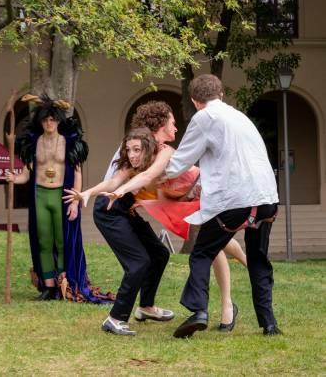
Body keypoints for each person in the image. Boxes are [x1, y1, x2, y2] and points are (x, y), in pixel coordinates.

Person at [109, 75, 280, 338]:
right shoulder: (240, 117)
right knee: (258, 258)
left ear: (195, 101)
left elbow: (179, 163)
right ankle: (269, 324)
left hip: (235, 200)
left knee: (201, 254)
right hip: (267, 198)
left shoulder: (204, 118)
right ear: (221, 94)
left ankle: (199, 310)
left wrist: (150, 176)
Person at [67, 103, 245, 334]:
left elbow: (152, 177)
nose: (176, 127)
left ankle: (146, 307)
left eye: (134, 151)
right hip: (110, 207)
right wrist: (88, 192)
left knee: (159, 254)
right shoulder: (137, 144)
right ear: (161, 124)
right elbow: (116, 180)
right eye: (172, 122)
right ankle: (115, 318)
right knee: (139, 262)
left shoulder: (160, 149)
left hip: (126, 204)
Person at [6, 94, 113, 303]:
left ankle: (65, 283)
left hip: (61, 195)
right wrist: (14, 178)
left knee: (63, 241)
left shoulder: (69, 142)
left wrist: (75, 200)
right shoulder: (34, 143)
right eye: (45, 119)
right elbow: (27, 173)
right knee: (44, 241)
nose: (49, 123)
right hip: (39, 195)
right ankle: (48, 287)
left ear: (58, 121)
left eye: (52, 119)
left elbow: (78, 172)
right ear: (40, 121)